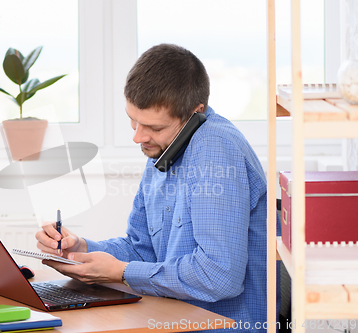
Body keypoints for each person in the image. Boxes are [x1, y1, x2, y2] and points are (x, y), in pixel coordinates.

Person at [36, 43, 271, 332]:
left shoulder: (214, 145)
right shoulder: (163, 150)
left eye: (154, 127)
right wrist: (81, 250)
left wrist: (120, 273)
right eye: (133, 121)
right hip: (170, 320)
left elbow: (219, 275)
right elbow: (143, 250)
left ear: (195, 114)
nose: (138, 137)